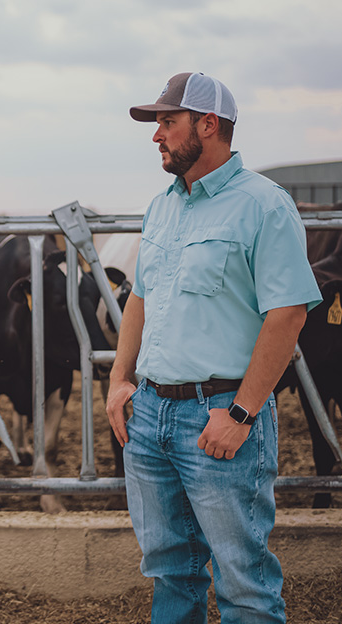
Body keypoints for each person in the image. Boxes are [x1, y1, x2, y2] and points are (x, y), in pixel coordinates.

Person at [105, 72, 322, 623]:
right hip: (150, 415)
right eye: (156, 124)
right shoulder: (162, 206)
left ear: (208, 125)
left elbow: (289, 312)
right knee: (169, 570)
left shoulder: (264, 205)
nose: (157, 136)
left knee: (242, 579)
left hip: (219, 417)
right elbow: (140, 299)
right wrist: (118, 381)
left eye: (167, 123)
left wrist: (243, 413)